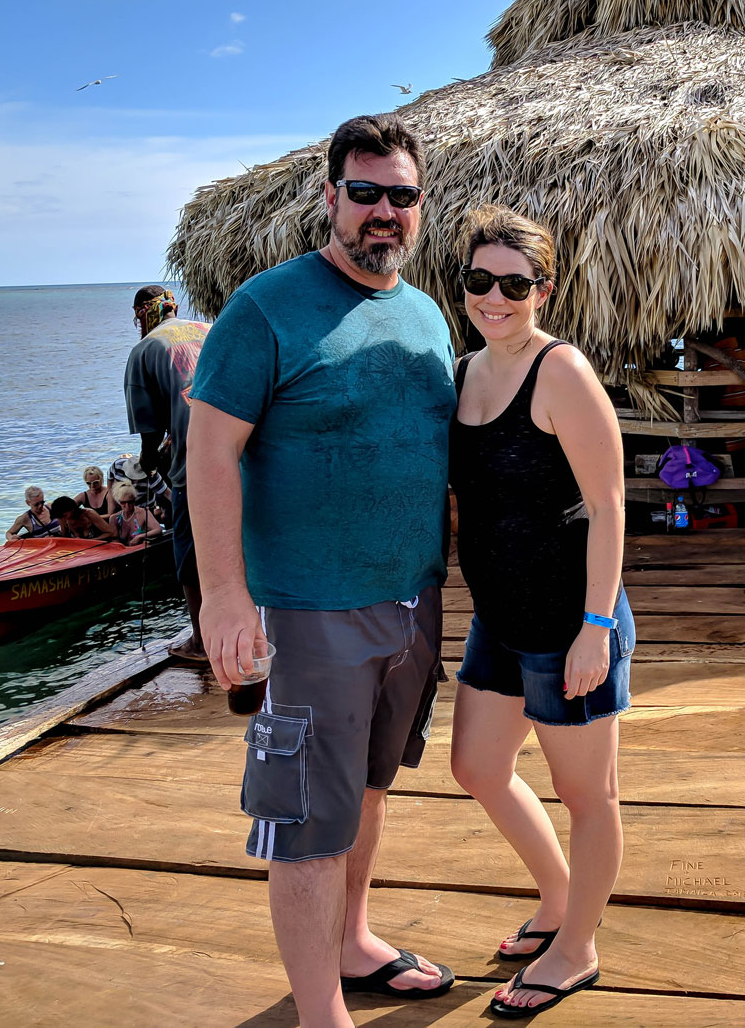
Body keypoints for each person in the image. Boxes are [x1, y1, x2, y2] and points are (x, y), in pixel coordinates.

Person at [187, 113, 457, 1027]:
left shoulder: (425, 312)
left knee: (372, 787)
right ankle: (318, 1013)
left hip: (413, 603)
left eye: (402, 195)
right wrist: (223, 595)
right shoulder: (265, 307)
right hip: (307, 612)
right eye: (366, 193)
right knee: (307, 820)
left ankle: (353, 939)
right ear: (331, 196)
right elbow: (210, 450)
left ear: (421, 205)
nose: (384, 212)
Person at [448, 205, 631, 1018]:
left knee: (586, 793)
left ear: (543, 289)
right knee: (477, 767)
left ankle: (579, 945)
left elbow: (611, 501)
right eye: (480, 281)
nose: (496, 297)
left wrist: (596, 627)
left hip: (569, 620)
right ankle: (560, 899)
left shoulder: (561, 372)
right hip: (499, 617)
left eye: (514, 283)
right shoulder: (462, 372)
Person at [125, 285, 209, 658]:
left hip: (197, 469)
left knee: (191, 555)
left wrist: (148, 464)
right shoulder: (210, 330)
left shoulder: (145, 350)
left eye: (136, 317)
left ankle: (202, 642)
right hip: (247, 455)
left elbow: (149, 436)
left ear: (143, 313)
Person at [49, 496, 116, 541]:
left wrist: (91, 541)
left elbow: (111, 533)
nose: (64, 518)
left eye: (65, 515)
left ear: (72, 509)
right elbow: (65, 538)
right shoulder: (62, 518)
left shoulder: (89, 514)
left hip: (96, 547)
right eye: (61, 517)